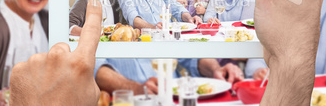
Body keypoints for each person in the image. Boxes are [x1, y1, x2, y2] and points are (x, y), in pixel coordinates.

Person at [8, 0, 322, 106]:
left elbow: (184, 49)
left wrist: (212, 67)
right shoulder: (113, 2)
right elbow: (96, 65)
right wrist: (137, 87)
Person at [95, 58, 243, 95]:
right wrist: (135, 88)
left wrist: (216, 69)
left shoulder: (164, 25)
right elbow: (96, 70)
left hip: (177, 99)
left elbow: (191, 59)